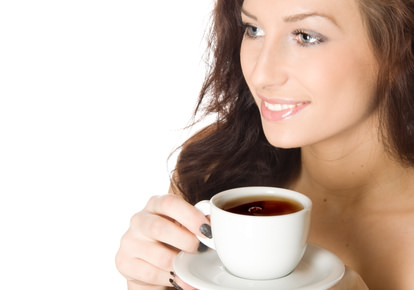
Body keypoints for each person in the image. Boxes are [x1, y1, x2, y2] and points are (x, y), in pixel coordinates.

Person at [116, 0, 414, 289]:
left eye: (306, 37)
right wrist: (148, 283)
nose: (261, 75)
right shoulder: (214, 169)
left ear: (400, 48)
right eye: (253, 29)